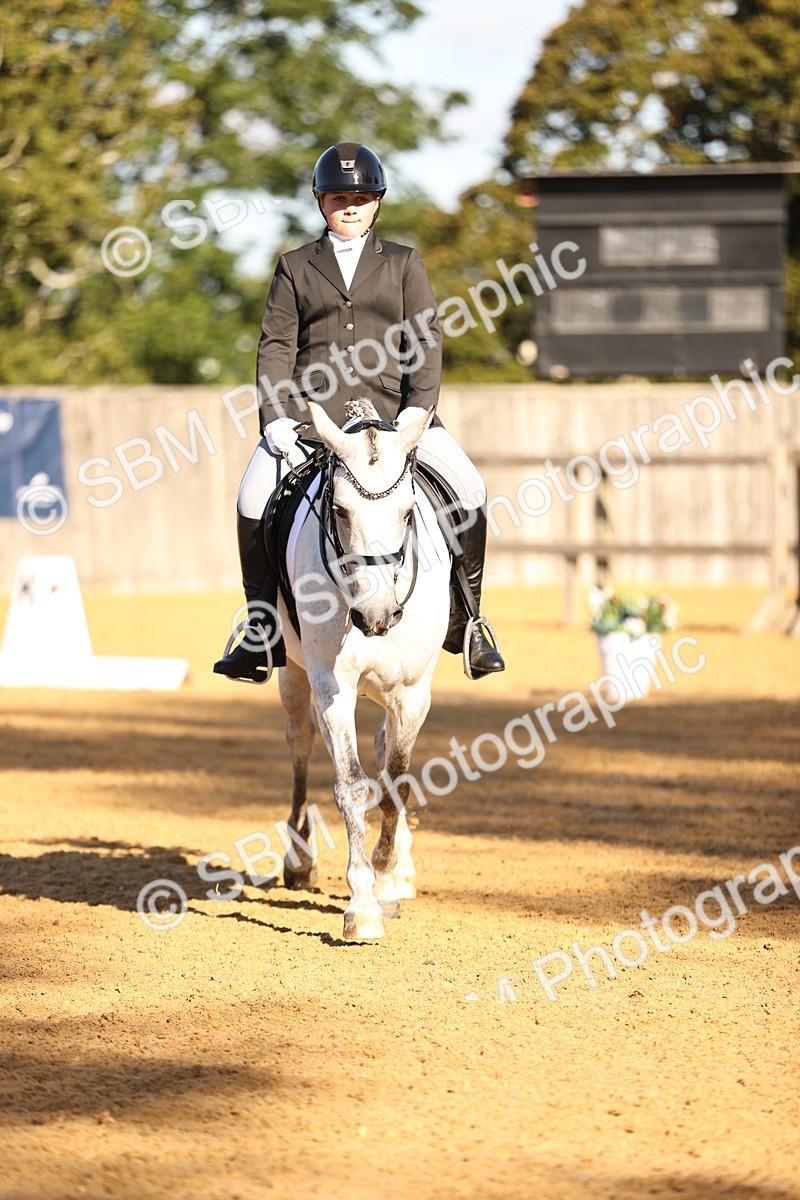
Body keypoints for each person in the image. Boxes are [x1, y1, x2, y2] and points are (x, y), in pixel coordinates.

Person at [213, 141, 505, 682]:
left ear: (377, 202)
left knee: (470, 489)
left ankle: (468, 622)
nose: (350, 206)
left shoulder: (403, 263)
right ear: (321, 201)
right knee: (252, 496)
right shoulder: (295, 266)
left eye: (361, 197)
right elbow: (276, 344)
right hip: (314, 423)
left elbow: (426, 341)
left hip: (398, 420)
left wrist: (419, 413)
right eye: (339, 197)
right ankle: (260, 631)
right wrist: (277, 416)